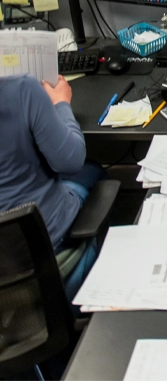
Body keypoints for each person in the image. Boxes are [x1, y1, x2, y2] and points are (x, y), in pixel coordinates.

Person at [0, 74, 105, 300]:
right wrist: (61, 104)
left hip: (6, 276)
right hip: (47, 252)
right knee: (93, 173)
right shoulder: (21, 90)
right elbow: (71, 160)